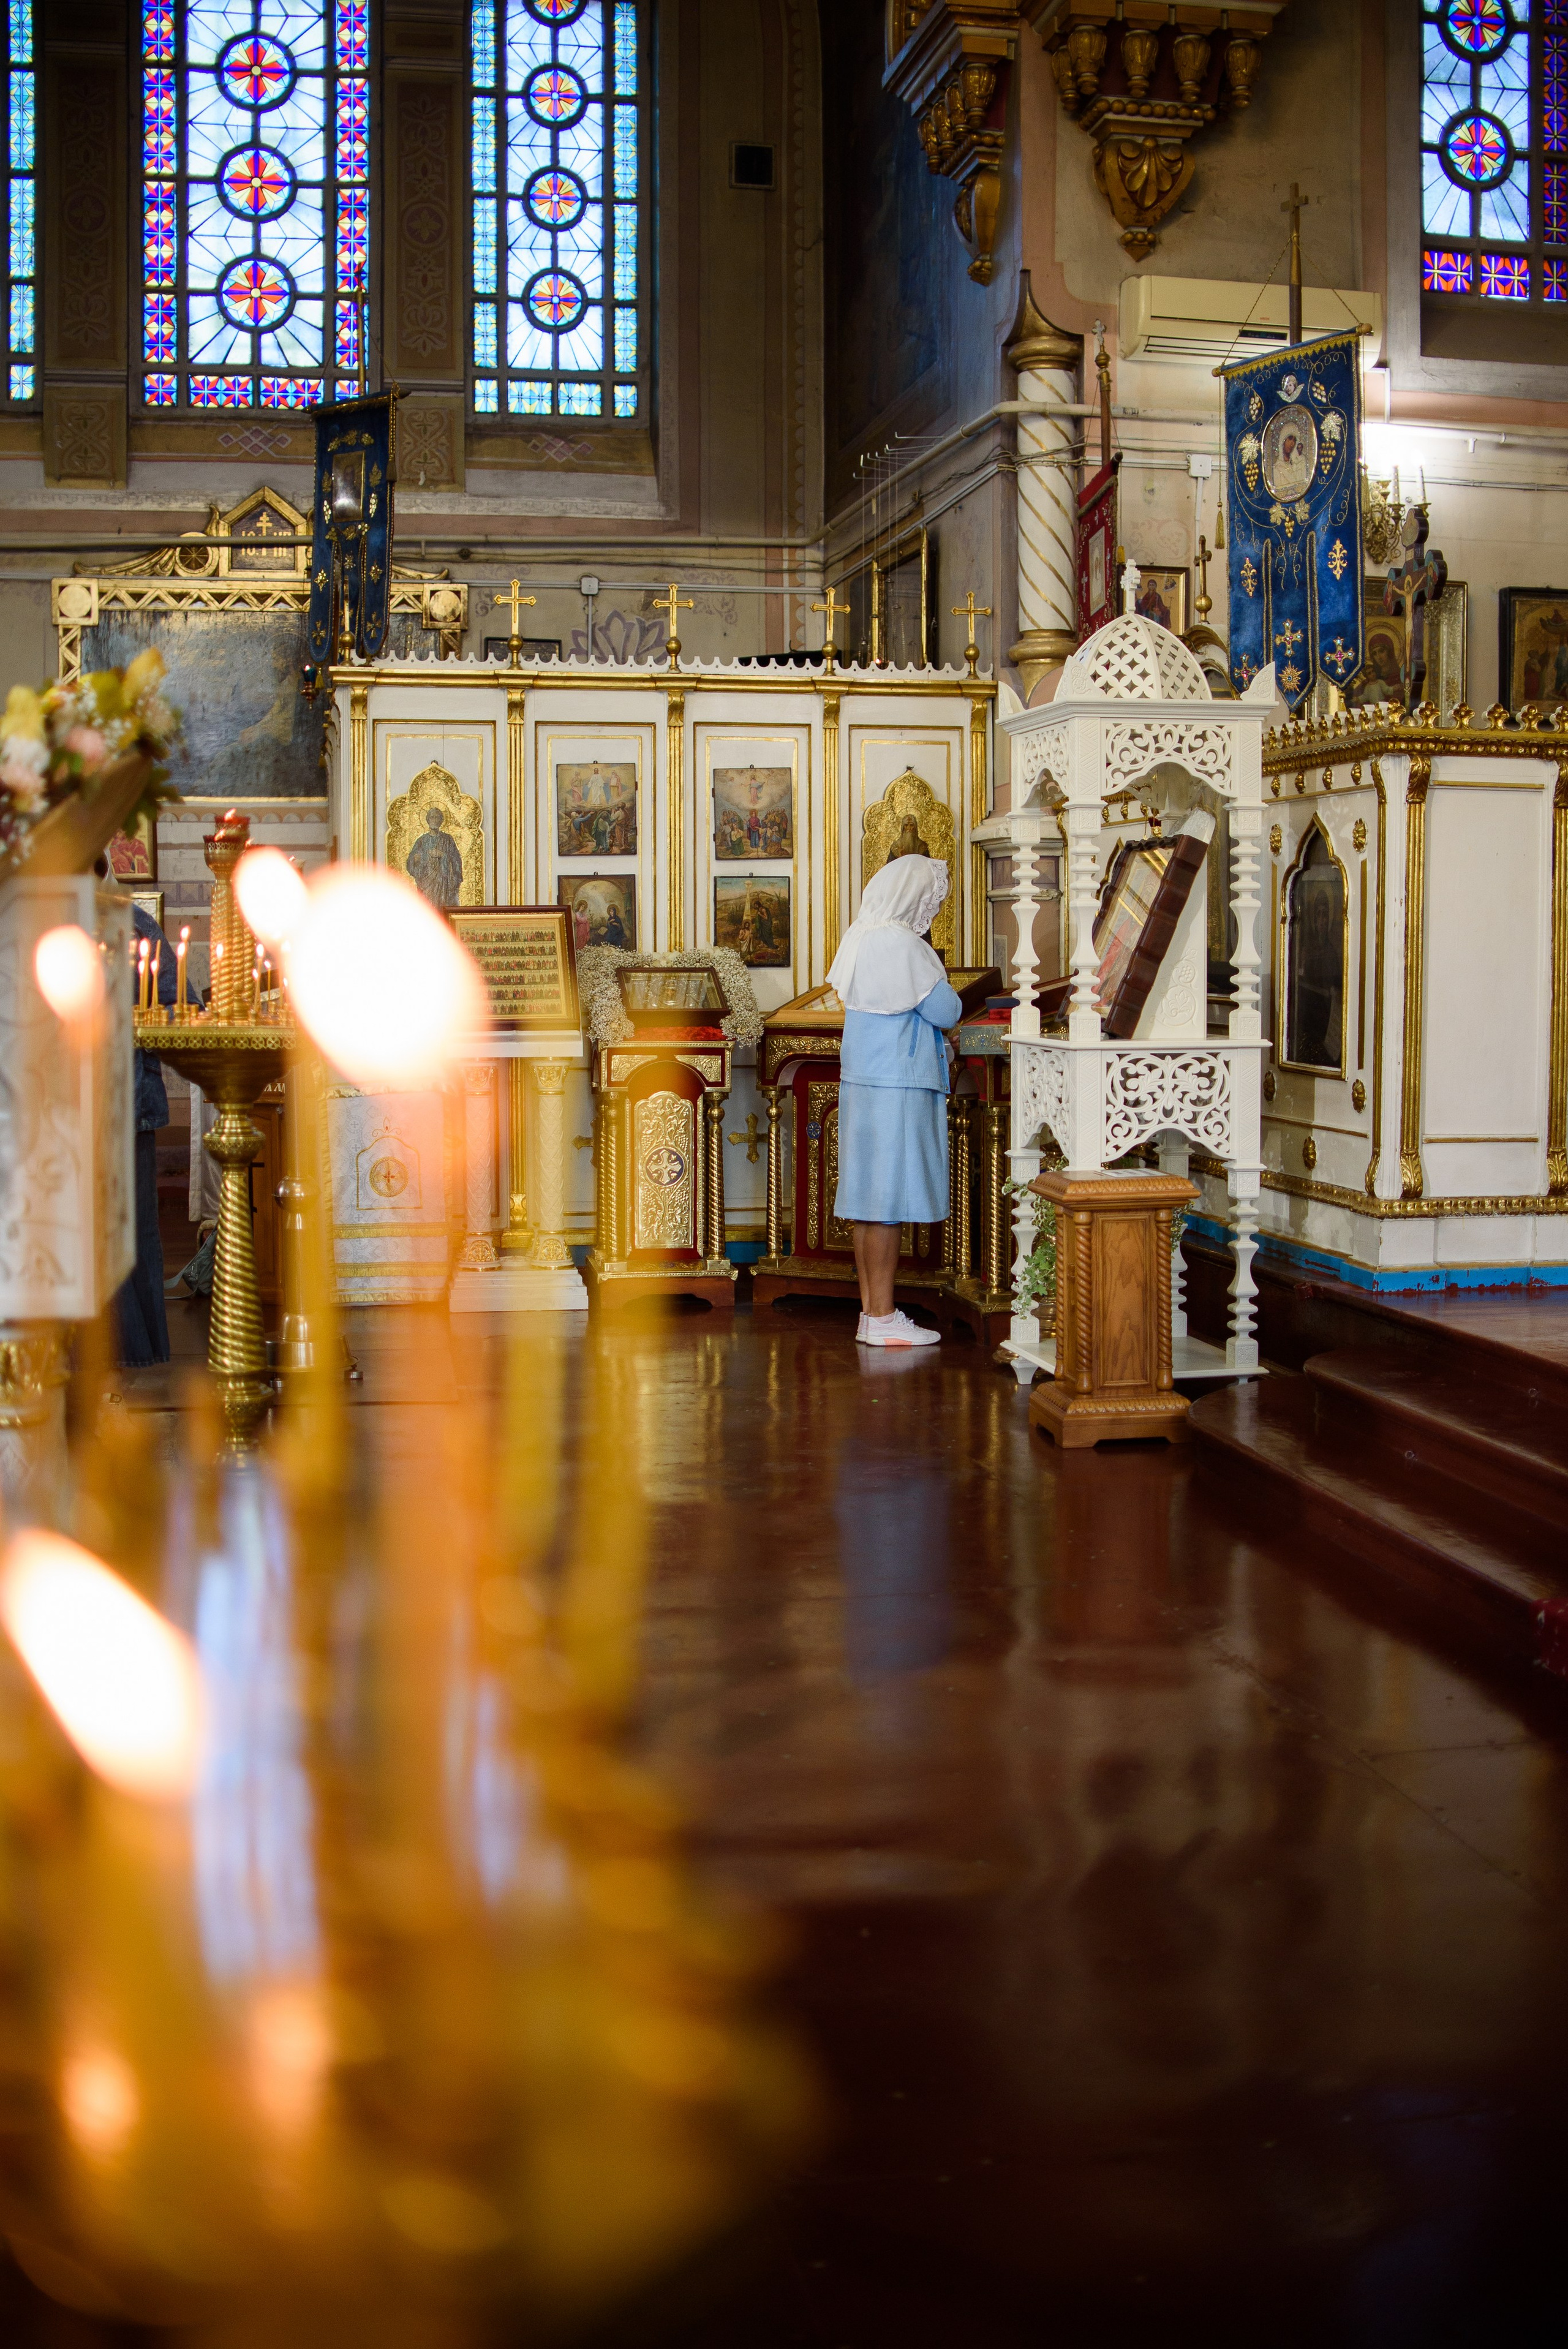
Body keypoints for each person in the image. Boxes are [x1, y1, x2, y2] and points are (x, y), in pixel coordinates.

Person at [826, 854, 961, 1349]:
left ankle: (871, 1312)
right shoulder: (904, 944)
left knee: (869, 1203)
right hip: (898, 1083)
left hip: (863, 1081)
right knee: (885, 1205)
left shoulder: (860, 937)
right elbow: (945, 1008)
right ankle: (882, 1316)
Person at [113, 888, 178, 1366]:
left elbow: (182, 1006)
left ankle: (145, 1357)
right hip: (57, 1106)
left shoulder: (138, 929)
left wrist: (143, 1022)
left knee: (134, 1233)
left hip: (129, 1102)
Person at [405, 805, 463, 907]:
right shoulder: (421, 841)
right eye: (432, 817)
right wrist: (416, 859)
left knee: (442, 910)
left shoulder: (448, 840)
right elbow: (411, 862)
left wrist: (443, 855)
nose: (435, 820)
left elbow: (456, 861)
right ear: (427, 820)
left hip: (443, 886)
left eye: (437, 817)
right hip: (426, 884)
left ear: (441, 821)